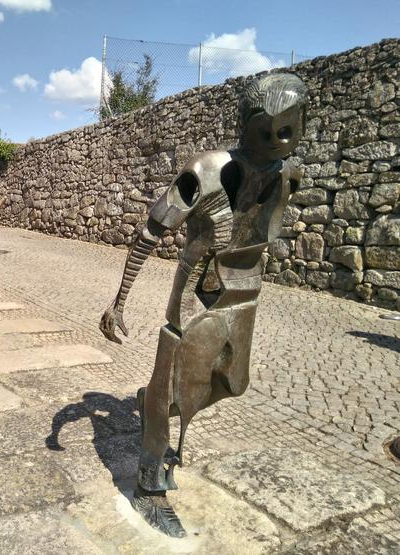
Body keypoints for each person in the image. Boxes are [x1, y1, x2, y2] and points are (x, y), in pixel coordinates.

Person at [99, 72, 308, 537]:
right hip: (195, 287)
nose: (275, 142)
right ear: (245, 124)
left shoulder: (287, 175)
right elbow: (152, 231)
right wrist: (119, 301)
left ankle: (154, 403)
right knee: (174, 376)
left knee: (234, 383)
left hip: (245, 288)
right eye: (264, 130)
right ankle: (150, 485)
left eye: (286, 131)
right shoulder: (206, 170)